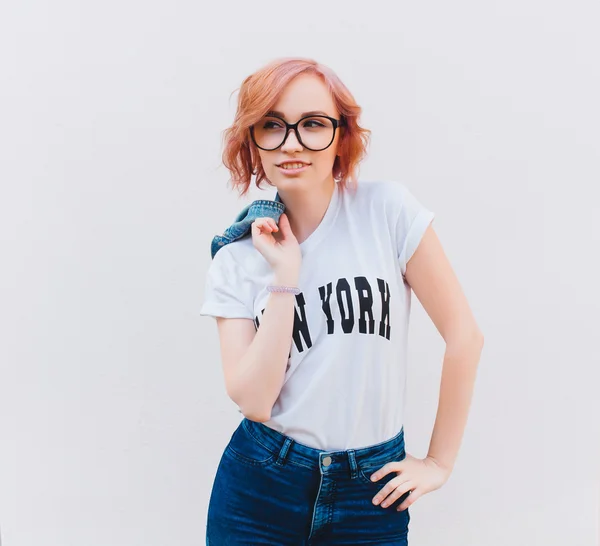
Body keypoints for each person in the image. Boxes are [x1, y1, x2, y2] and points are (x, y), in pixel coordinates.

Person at [199, 57, 484, 545]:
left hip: (372, 493)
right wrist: (285, 277)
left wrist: (438, 462)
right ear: (252, 142)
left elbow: (464, 338)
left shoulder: (387, 212)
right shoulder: (237, 259)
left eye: (312, 124)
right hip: (260, 488)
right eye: (272, 125)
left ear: (341, 135)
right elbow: (253, 400)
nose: (292, 142)